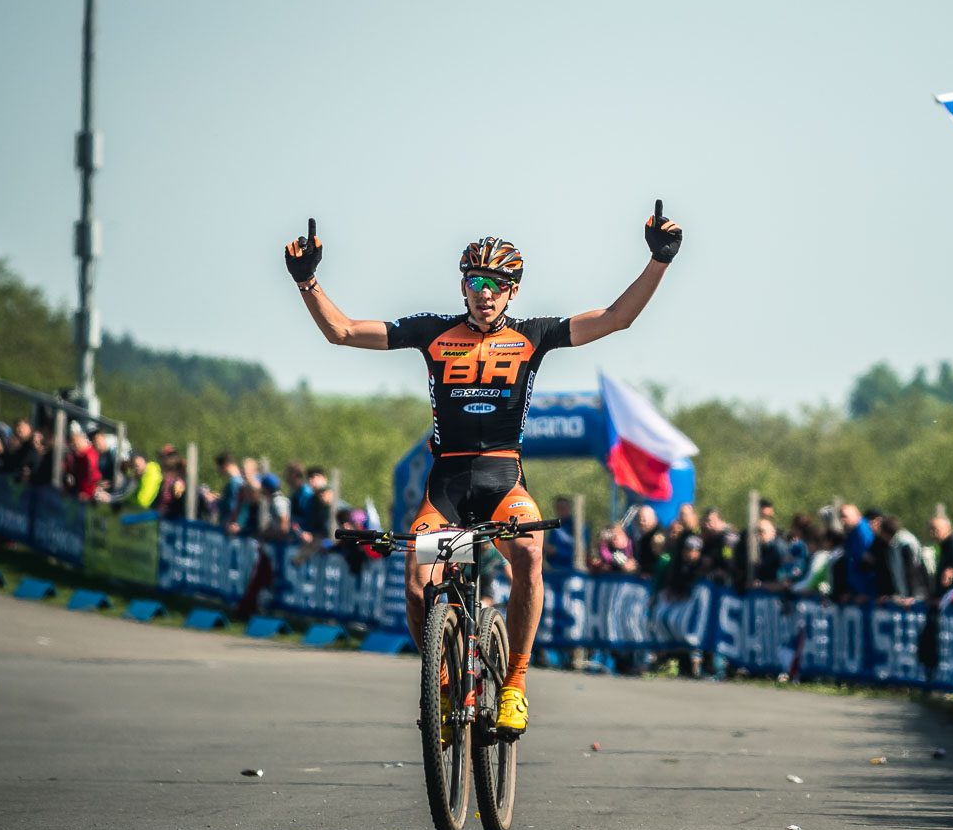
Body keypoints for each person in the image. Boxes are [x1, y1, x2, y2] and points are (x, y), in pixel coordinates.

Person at [284, 202, 682, 735]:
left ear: (512, 291)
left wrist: (659, 261)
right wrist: (307, 281)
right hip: (447, 484)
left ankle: (515, 684)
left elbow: (616, 318)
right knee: (416, 583)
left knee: (531, 554)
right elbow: (344, 331)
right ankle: (443, 687)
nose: (484, 292)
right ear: (463, 287)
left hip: (502, 480)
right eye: (475, 281)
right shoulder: (433, 332)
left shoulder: (533, 336)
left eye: (496, 283)